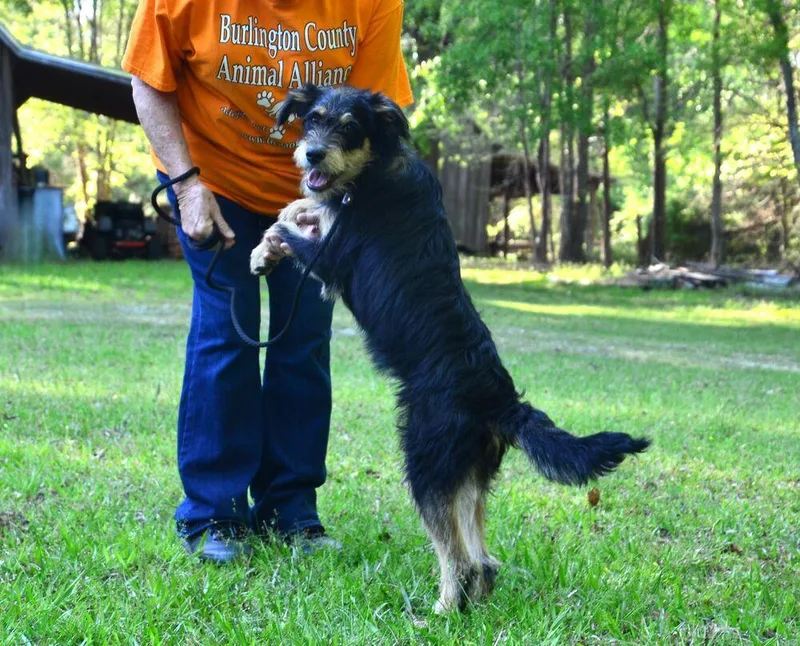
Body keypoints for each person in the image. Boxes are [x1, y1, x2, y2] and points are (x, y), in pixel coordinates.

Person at [123, 0, 413, 562]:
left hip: (320, 187)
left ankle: (290, 508)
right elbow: (149, 83)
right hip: (209, 174)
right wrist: (185, 186)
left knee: (302, 337)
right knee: (223, 330)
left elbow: (379, 114)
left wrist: (353, 210)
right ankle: (214, 513)